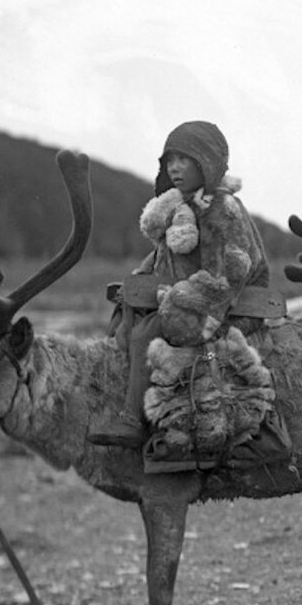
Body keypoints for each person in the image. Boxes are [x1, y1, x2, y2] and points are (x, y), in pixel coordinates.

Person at [87, 121, 270, 449]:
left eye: (184, 159)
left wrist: (180, 298)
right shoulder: (182, 208)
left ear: (206, 161)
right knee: (124, 328)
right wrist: (138, 280)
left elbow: (228, 275)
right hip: (187, 299)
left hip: (225, 307)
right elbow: (162, 258)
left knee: (145, 334)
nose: (174, 167)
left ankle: (133, 420)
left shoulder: (222, 210)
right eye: (169, 160)